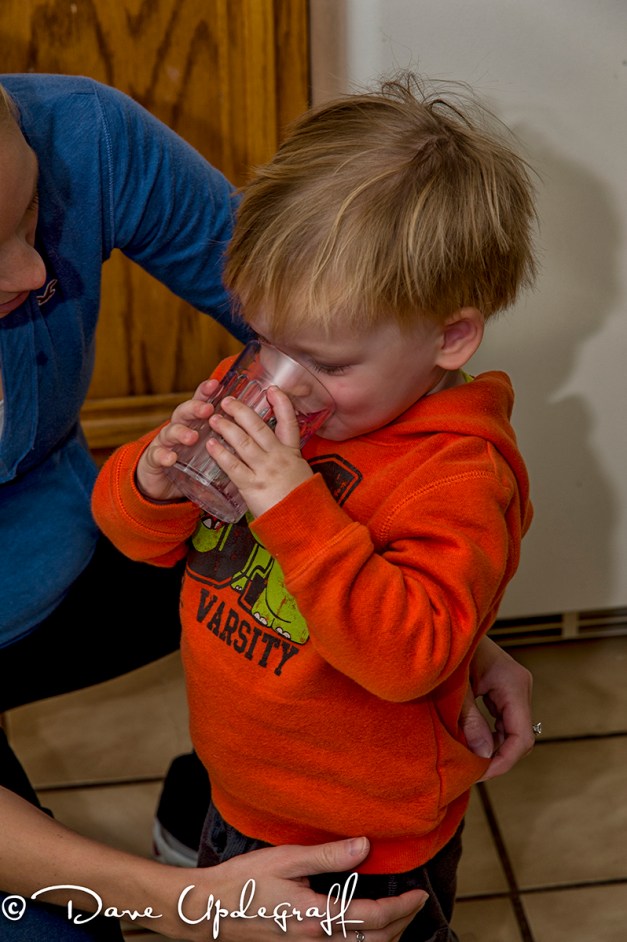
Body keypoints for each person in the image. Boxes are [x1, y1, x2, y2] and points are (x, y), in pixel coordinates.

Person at [92, 71, 538, 942]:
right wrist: (152, 476)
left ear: (449, 336)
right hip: (243, 787)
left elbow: (409, 655)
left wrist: (292, 505)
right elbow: (136, 542)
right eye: (262, 340)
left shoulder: (458, 475)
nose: (282, 381)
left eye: (325, 362)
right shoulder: (277, 390)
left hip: (363, 838)